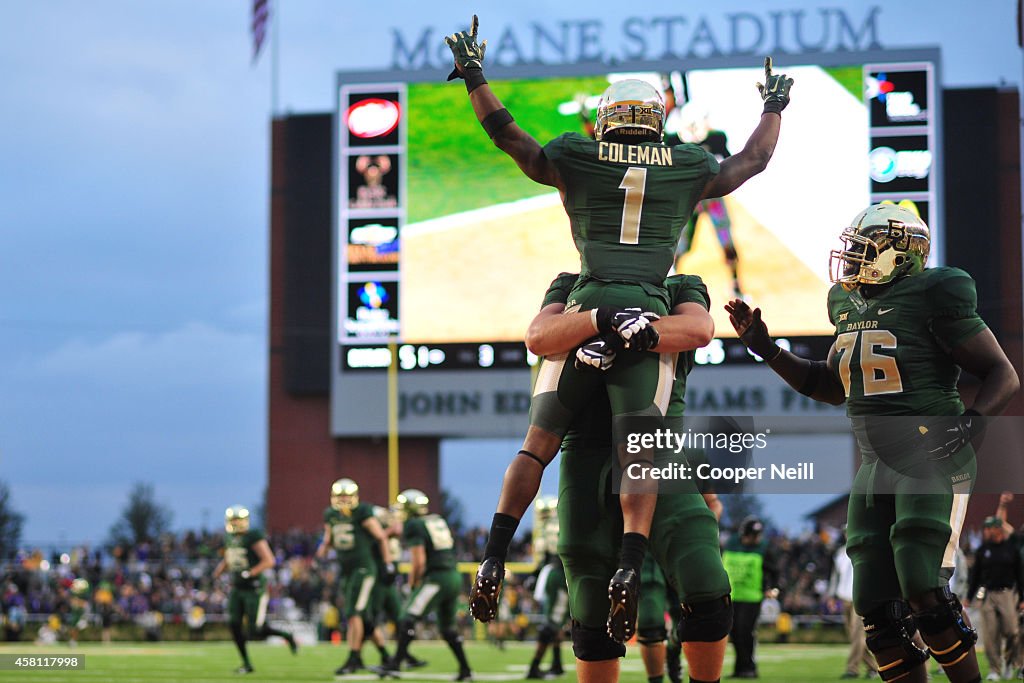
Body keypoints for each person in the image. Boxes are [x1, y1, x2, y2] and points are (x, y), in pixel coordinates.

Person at [444, 14, 792, 642]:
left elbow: (511, 139)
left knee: (538, 443)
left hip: (584, 303)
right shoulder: (686, 162)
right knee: (642, 447)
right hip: (647, 309)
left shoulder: (578, 153)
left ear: (605, 119)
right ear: (657, 118)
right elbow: (754, 159)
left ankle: (495, 548)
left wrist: (474, 77)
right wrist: (773, 105)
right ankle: (630, 566)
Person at [725, 203, 1020, 683]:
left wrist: (972, 421)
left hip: (929, 454)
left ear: (902, 253)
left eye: (867, 246)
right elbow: (830, 384)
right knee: (876, 609)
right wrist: (768, 349)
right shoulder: (845, 302)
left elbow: (1001, 373)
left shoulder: (934, 292)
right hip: (874, 464)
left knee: (924, 588)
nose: (854, 256)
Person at [525, 270, 731, 683]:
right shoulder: (569, 287)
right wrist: (603, 317)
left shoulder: (680, 287)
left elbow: (698, 329)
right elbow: (539, 337)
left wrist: (621, 331)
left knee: (705, 581)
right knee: (590, 612)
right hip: (584, 457)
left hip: (658, 448)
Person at [373, 489, 473, 681]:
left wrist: (412, 582)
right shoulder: (435, 519)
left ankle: (395, 664)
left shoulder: (414, 524)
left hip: (437, 578)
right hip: (453, 576)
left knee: (406, 618)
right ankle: (465, 670)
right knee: (447, 628)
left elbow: (419, 560)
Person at [315, 478, 393, 675]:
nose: (343, 500)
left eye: (346, 496)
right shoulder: (331, 515)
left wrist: (388, 563)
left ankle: (354, 657)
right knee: (363, 618)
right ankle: (385, 655)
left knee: (353, 613)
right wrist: (321, 553)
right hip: (347, 571)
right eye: (340, 496)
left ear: (355, 496)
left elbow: (381, 536)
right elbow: (329, 539)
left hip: (364, 569)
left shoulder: (362, 512)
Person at [213, 505, 298, 675]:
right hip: (237, 588)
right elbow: (231, 558)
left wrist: (251, 572)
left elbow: (269, 560)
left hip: (254, 588)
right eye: (233, 520)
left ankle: (286, 636)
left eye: (238, 520)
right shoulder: (230, 538)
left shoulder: (253, 536)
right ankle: (246, 663)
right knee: (234, 624)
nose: (236, 524)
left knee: (255, 630)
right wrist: (219, 570)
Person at [965, 516, 1023, 680]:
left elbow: (1020, 575)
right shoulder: (983, 550)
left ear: (998, 529)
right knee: (991, 634)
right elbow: (975, 576)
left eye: (989, 528)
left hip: (1007, 594)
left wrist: (1022, 597)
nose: (986, 531)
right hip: (988, 594)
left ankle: (1010, 661)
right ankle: (994, 669)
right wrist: (969, 597)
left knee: (1012, 630)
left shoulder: (1011, 549)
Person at [721, 516, 779, 679]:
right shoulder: (731, 544)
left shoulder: (763, 548)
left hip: (752, 596)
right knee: (735, 633)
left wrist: (772, 588)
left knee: (745, 631)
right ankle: (740, 668)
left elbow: (774, 571)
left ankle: (750, 668)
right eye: (754, 535)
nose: (757, 539)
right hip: (731, 596)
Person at [528, 496, 569, 679]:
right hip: (562, 574)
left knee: (554, 621)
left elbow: (542, 556)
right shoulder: (564, 521)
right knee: (554, 621)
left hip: (554, 573)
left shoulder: (545, 528)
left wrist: (534, 577)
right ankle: (541, 666)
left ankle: (552, 664)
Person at [829, 531, 879, 679]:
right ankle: (874, 667)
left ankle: (852, 668)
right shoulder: (840, 552)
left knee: (857, 636)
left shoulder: (866, 549)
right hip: (844, 597)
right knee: (853, 636)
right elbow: (835, 576)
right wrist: (832, 596)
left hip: (860, 598)